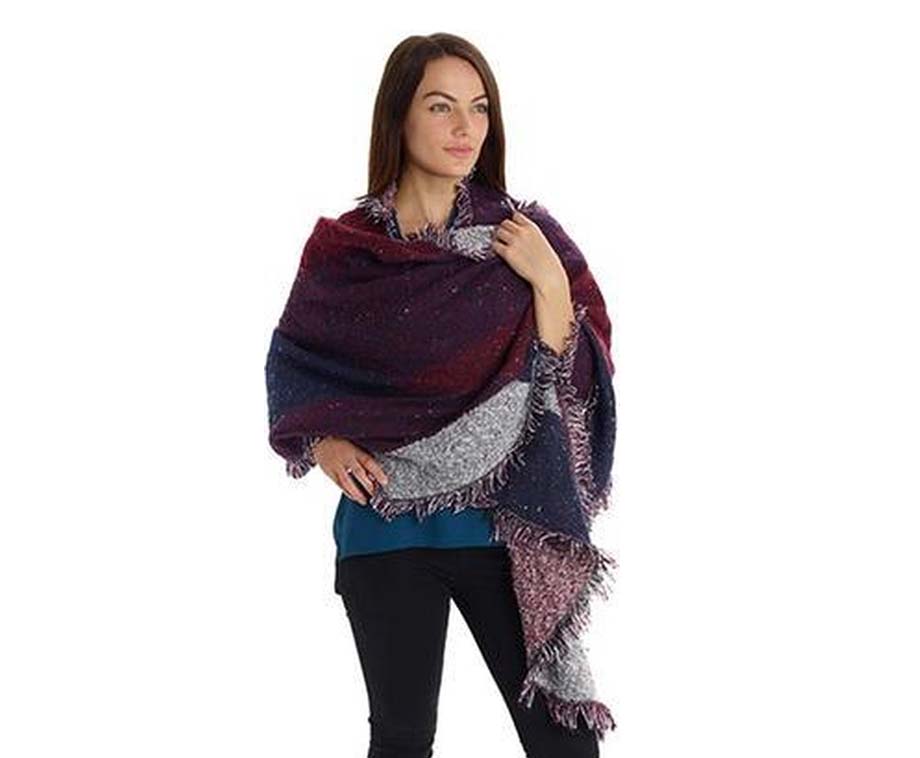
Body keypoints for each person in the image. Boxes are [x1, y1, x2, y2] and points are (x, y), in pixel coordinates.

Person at [270, 32, 616, 758]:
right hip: (382, 526)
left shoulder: (524, 236)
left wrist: (550, 281)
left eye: (479, 108)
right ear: (399, 115)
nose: (465, 128)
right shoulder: (347, 250)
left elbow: (578, 378)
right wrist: (322, 441)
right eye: (441, 106)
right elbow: (293, 361)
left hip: (505, 527)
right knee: (401, 741)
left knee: (564, 744)